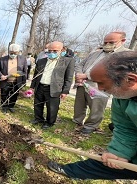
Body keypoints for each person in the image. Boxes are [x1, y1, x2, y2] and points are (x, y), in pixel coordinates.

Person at [48, 51, 137, 180]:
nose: (99, 89)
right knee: (105, 163)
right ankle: (73, 171)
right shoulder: (122, 98)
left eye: (101, 83)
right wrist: (120, 152)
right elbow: (126, 129)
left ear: (130, 80)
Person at [73, 31, 131, 134]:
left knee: (96, 107)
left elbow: (116, 72)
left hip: (100, 86)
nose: (107, 45)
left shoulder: (125, 55)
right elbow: (80, 64)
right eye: (105, 42)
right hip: (82, 83)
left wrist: (87, 76)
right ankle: (77, 120)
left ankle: (91, 125)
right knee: (80, 104)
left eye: (111, 42)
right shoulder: (95, 53)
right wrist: (79, 74)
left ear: (122, 41)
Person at [29, 41, 75, 129]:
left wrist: (65, 91)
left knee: (52, 107)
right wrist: (32, 87)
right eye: (49, 51)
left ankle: (49, 122)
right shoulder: (41, 61)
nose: (51, 53)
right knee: (38, 104)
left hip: (54, 88)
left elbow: (68, 77)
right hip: (40, 86)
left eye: (55, 51)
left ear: (61, 50)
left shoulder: (68, 61)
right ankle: (38, 119)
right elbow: (35, 75)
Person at [0, 43, 27, 113]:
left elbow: (25, 71)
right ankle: (4, 107)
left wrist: (23, 82)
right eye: (11, 53)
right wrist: (1, 75)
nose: (13, 54)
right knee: (4, 95)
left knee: (14, 95)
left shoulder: (22, 59)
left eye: (15, 53)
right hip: (5, 81)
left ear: (18, 52)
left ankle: (11, 106)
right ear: (9, 51)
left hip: (16, 81)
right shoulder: (2, 59)